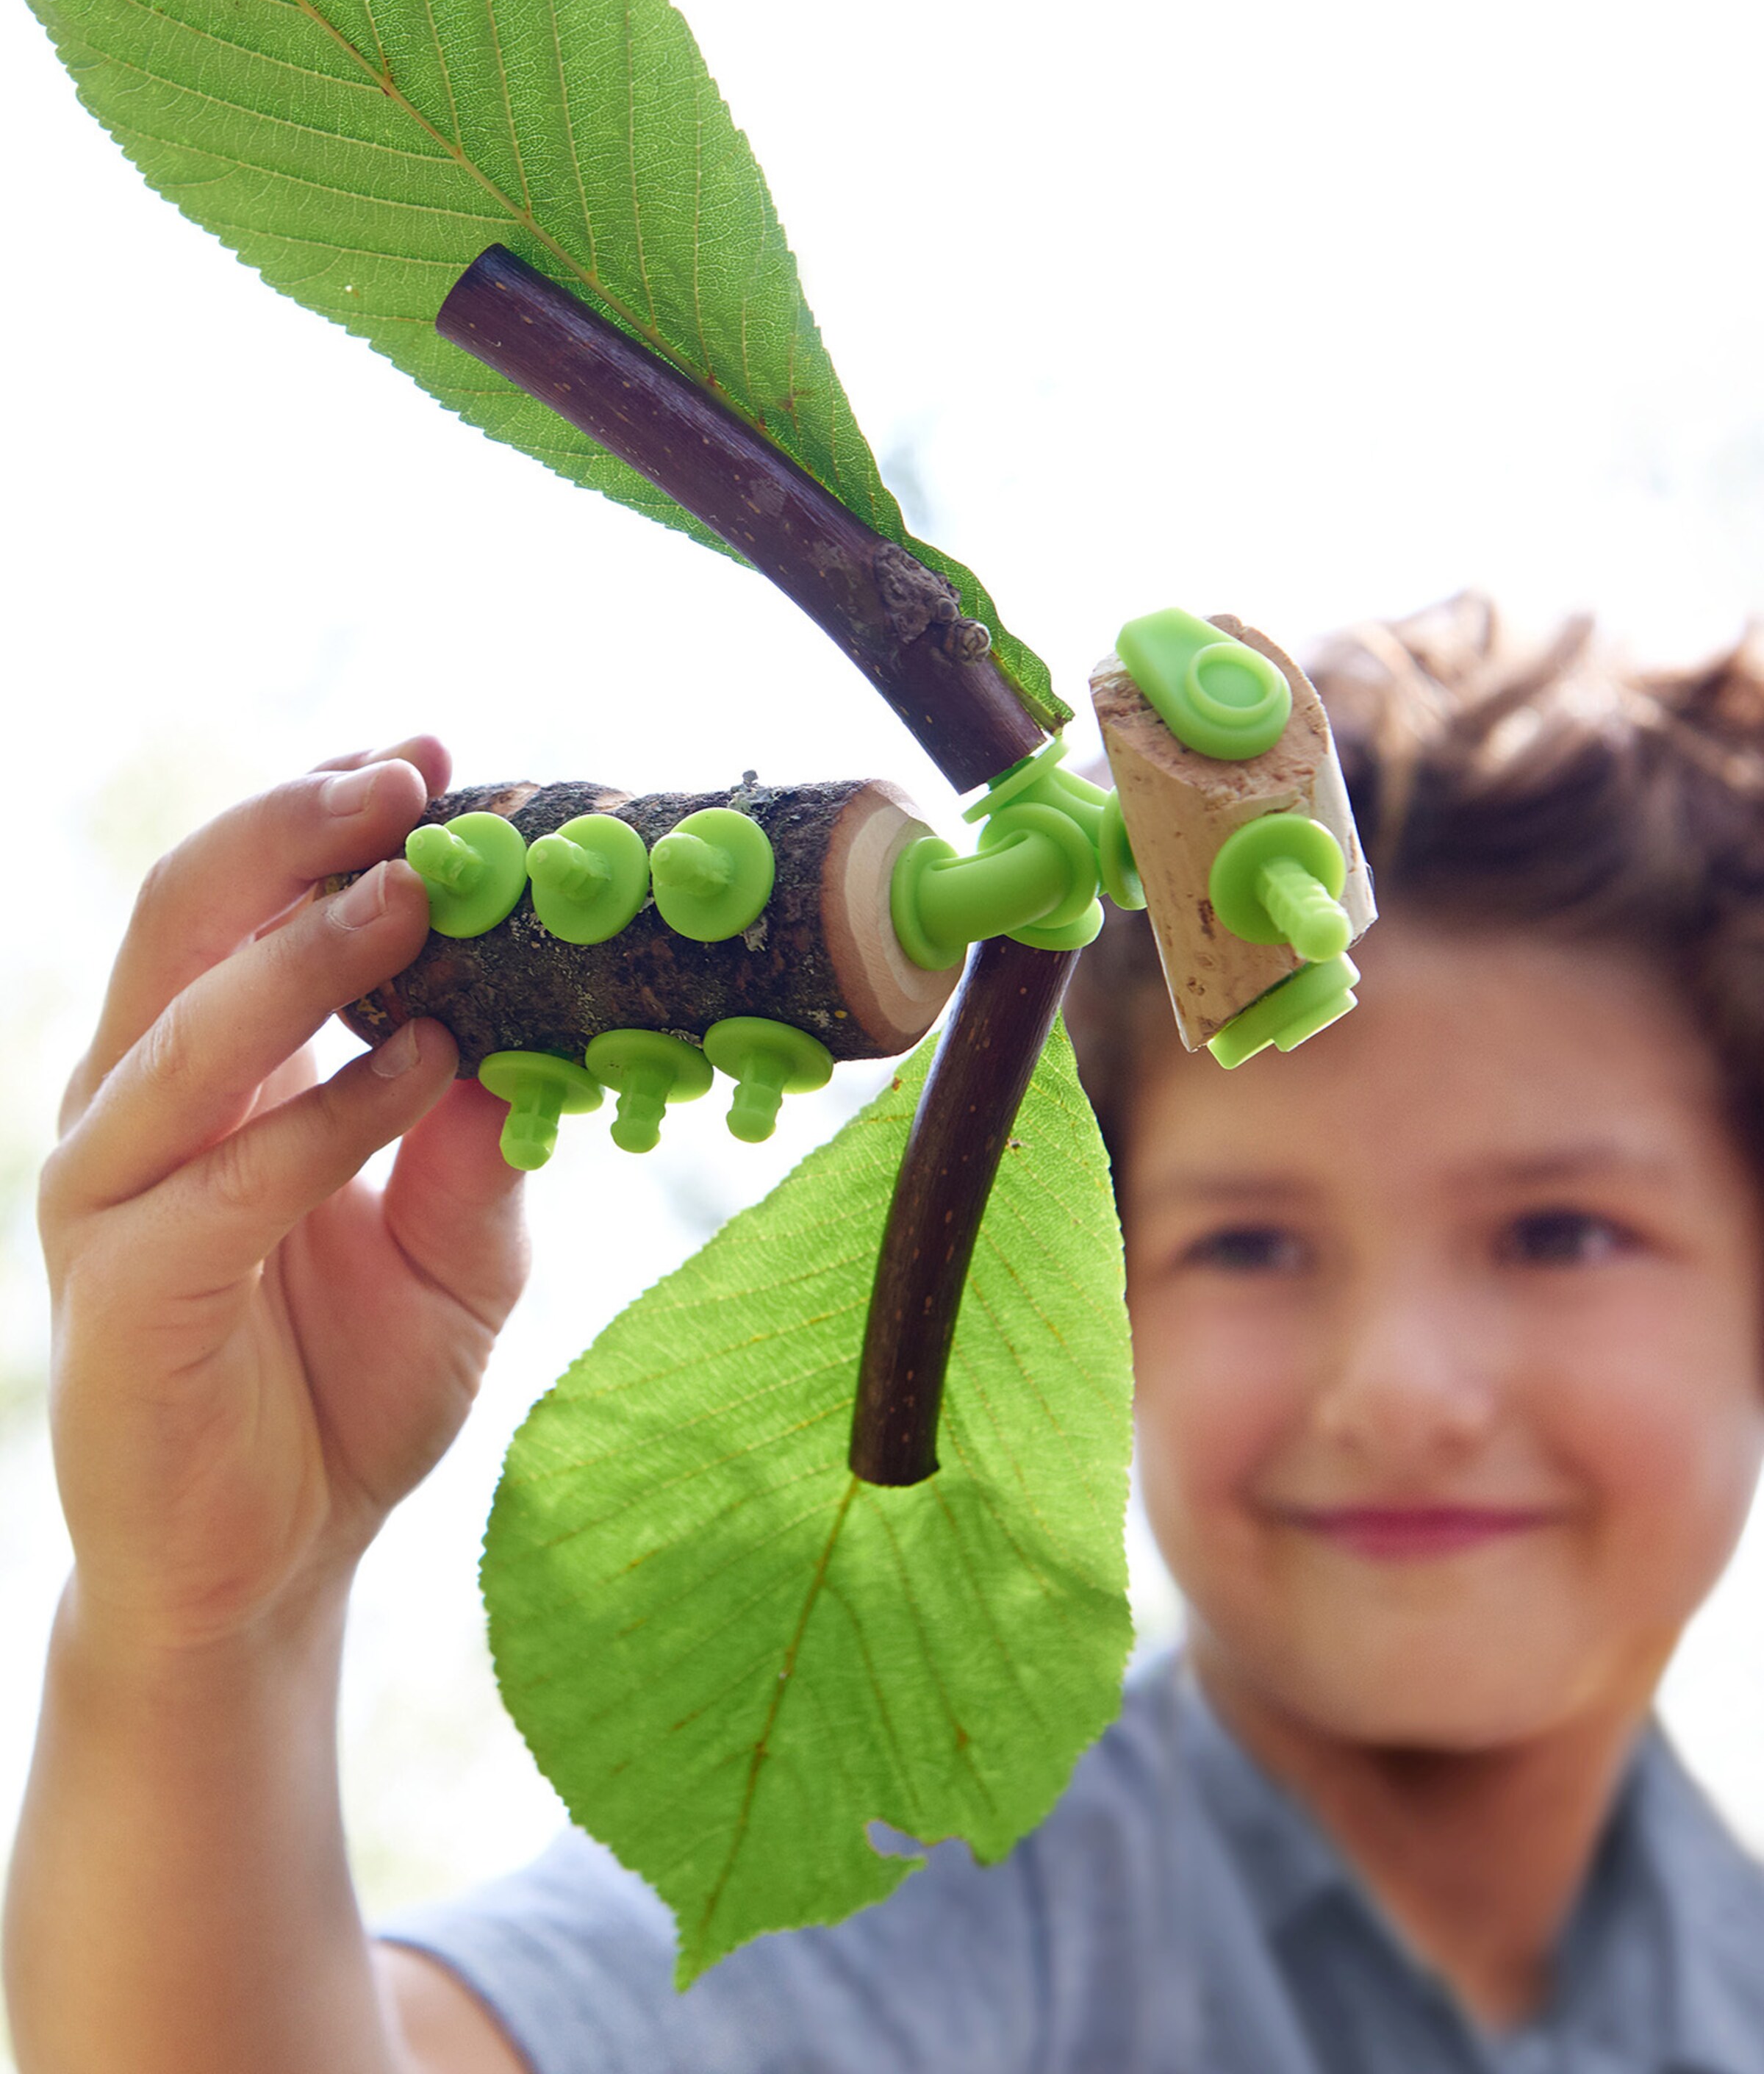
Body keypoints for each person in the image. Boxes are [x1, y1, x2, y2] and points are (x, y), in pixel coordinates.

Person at [9, 596, 1764, 2073]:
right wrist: (215, 1628)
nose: (1396, 1389)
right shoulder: (940, 1905)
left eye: (1559, 1233)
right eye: (1248, 1245)